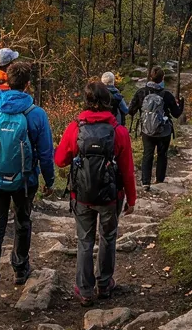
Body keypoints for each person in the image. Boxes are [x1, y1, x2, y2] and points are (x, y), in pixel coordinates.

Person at [0, 61, 54, 307]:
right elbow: (46, 152)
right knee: (22, 221)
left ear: (5, 81)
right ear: (27, 85)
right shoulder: (36, 114)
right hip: (25, 180)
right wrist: (48, 180)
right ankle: (19, 268)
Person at [55, 79, 136, 305]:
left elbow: (60, 160)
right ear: (108, 102)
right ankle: (105, 283)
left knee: (85, 240)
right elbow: (128, 170)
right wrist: (132, 199)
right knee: (108, 237)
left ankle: (85, 290)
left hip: (82, 196)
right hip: (111, 197)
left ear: (86, 100)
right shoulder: (118, 131)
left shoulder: (75, 128)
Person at [127, 68, 184, 186]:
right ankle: (159, 180)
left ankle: (145, 182)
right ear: (162, 79)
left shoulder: (141, 92)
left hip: (147, 130)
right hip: (164, 131)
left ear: (150, 77)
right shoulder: (167, 95)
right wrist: (181, 103)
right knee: (162, 154)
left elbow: (131, 110)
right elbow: (176, 114)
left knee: (147, 154)